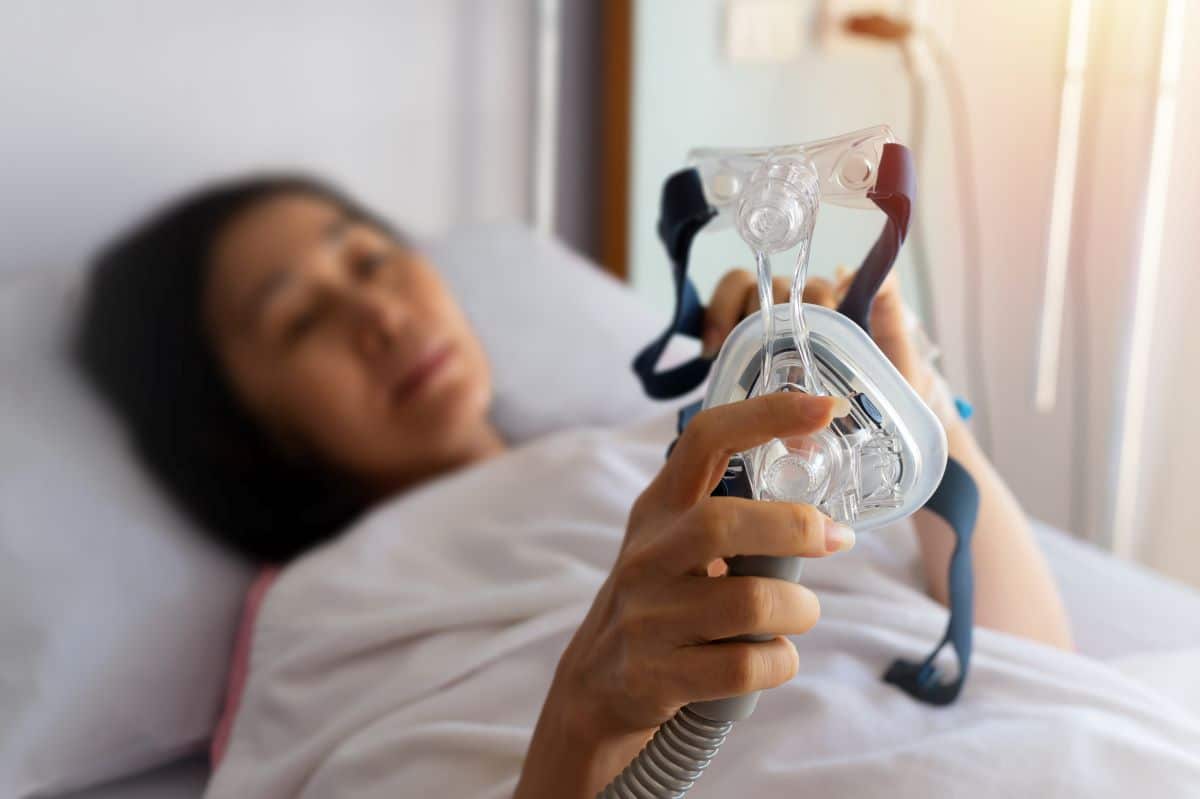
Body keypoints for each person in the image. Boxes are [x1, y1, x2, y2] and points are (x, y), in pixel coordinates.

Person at [75, 174, 1072, 796]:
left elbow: (1043, 665)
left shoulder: (668, 440)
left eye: (373, 258)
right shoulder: (315, 614)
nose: (375, 313)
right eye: (299, 320)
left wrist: (913, 400)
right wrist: (585, 724)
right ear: (238, 433)